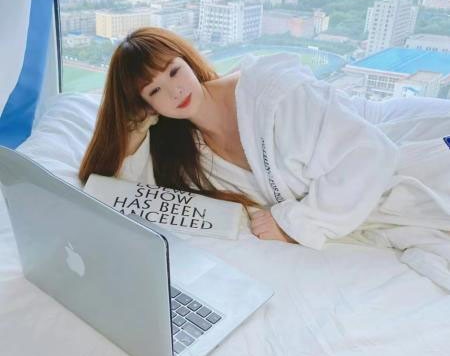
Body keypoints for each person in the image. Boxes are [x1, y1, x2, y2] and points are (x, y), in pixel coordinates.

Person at [79, 27, 450, 288]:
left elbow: (369, 154)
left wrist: (294, 223)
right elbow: (118, 188)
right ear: (147, 106)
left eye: (174, 71)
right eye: (155, 91)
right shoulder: (189, 151)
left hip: (406, 144)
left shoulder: (271, 93)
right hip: (370, 179)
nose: (174, 91)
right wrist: (134, 126)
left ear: (188, 61)